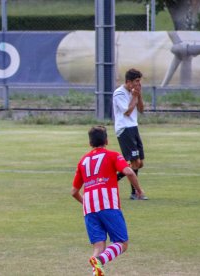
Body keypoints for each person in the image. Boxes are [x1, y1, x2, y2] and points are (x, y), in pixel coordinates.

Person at [71, 126, 146, 276]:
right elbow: (129, 171)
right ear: (106, 140)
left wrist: (87, 202)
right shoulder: (112, 155)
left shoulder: (83, 161)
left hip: (89, 209)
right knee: (122, 243)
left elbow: (73, 192)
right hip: (107, 204)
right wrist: (139, 189)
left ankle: (97, 265)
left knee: (99, 246)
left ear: (90, 143)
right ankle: (100, 260)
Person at [112, 68, 148, 200]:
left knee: (139, 163)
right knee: (135, 162)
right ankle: (136, 193)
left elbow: (141, 109)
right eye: (136, 81)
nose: (138, 84)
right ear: (128, 82)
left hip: (134, 128)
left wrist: (139, 95)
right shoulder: (119, 93)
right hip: (124, 129)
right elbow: (127, 111)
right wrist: (134, 96)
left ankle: (113, 179)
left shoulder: (133, 92)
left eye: (139, 81)